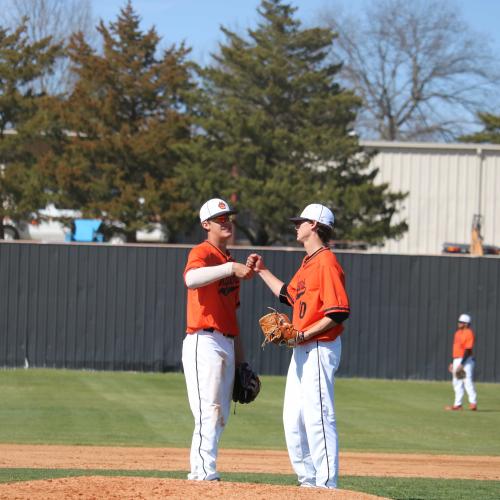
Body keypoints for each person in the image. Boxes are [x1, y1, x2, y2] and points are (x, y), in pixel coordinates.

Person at [246, 203, 350, 489]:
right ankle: (309, 481)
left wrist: (303, 335)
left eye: (300, 221)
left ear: (314, 225)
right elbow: (287, 296)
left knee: (318, 415)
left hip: (319, 346)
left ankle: (327, 484)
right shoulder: (308, 263)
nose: (296, 225)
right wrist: (263, 271)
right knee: (292, 418)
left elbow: (338, 312)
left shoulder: (326, 262)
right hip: (302, 348)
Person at [181, 197, 254, 481]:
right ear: (206, 224)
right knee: (208, 409)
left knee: (220, 413)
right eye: (220, 219)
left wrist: (242, 362)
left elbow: (233, 317)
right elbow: (191, 279)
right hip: (203, 340)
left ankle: (205, 469)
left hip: (226, 340)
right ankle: (202, 472)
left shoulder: (230, 261)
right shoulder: (203, 251)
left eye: (229, 218)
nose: (227, 223)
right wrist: (229, 269)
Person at [445, 313, 477, 411]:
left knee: (466, 380)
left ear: (466, 324)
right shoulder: (457, 333)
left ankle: (473, 403)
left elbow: (467, 350)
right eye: (459, 322)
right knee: (457, 382)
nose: (459, 323)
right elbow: (457, 349)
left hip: (466, 360)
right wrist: (453, 362)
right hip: (457, 359)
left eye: (461, 322)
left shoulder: (469, 333)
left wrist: (462, 364)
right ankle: (458, 405)